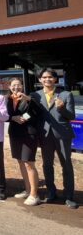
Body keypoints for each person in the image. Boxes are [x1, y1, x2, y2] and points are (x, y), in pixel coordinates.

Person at [30, 68, 77, 209]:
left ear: (55, 79)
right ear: (40, 80)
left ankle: (69, 196)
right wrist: (19, 118)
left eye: (50, 77)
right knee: (47, 164)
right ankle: (51, 192)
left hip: (62, 134)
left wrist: (62, 109)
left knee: (66, 164)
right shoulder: (35, 95)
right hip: (45, 135)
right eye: (44, 77)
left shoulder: (66, 94)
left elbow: (71, 116)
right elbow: (31, 114)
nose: (47, 79)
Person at [6, 78, 41, 206]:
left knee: (29, 163)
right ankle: (27, 190)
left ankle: (34, 194)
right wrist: (13, 118)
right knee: (21, 161)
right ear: (10, 87)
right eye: (13, 85)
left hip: (28, 133)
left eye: (18, 85)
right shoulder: (7, 99)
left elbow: (37, 112)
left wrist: (23, 118)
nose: (16, 88)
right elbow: (6, 115)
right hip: (15, 134)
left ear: (22, 86)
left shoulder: (29, 98)